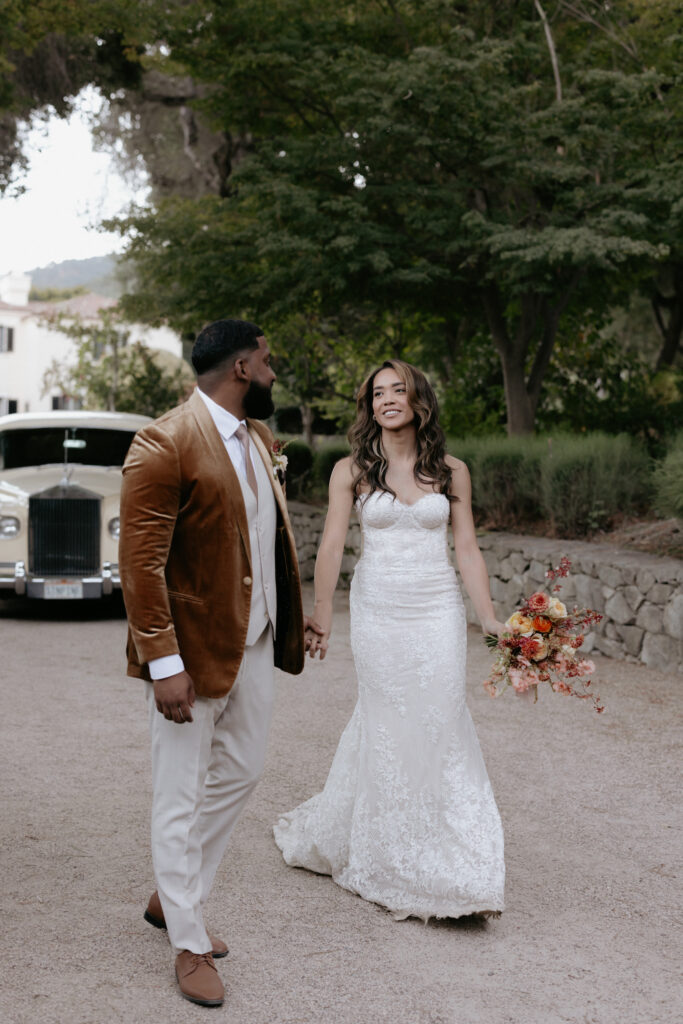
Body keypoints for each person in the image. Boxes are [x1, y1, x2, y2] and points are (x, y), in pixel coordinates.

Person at [119, 319, 313, 1007]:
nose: (271, 372)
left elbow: (262, 540)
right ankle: (189, 941)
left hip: (254, 641)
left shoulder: (258, 439)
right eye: (267, 361)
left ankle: (173, 897)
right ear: (240, 367)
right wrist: (163, 661)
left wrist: (292, 616)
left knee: (243, 770)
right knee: (178, 794)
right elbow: (139, 565)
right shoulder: (163, 442)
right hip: (191, 653)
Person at [274, 359, 506, 921]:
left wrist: (490, 618)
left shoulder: (452, 471)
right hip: (378, 612)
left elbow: (467, 549)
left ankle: (454, 855)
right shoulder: (349, 470)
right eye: (377, 393)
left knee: (441, 717)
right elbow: (331, 547)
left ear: (418, 399)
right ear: (369, 406)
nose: (386, 400)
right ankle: (387, 852)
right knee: (387, 719)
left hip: (437, 611)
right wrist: (322, 613)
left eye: (397, 390)